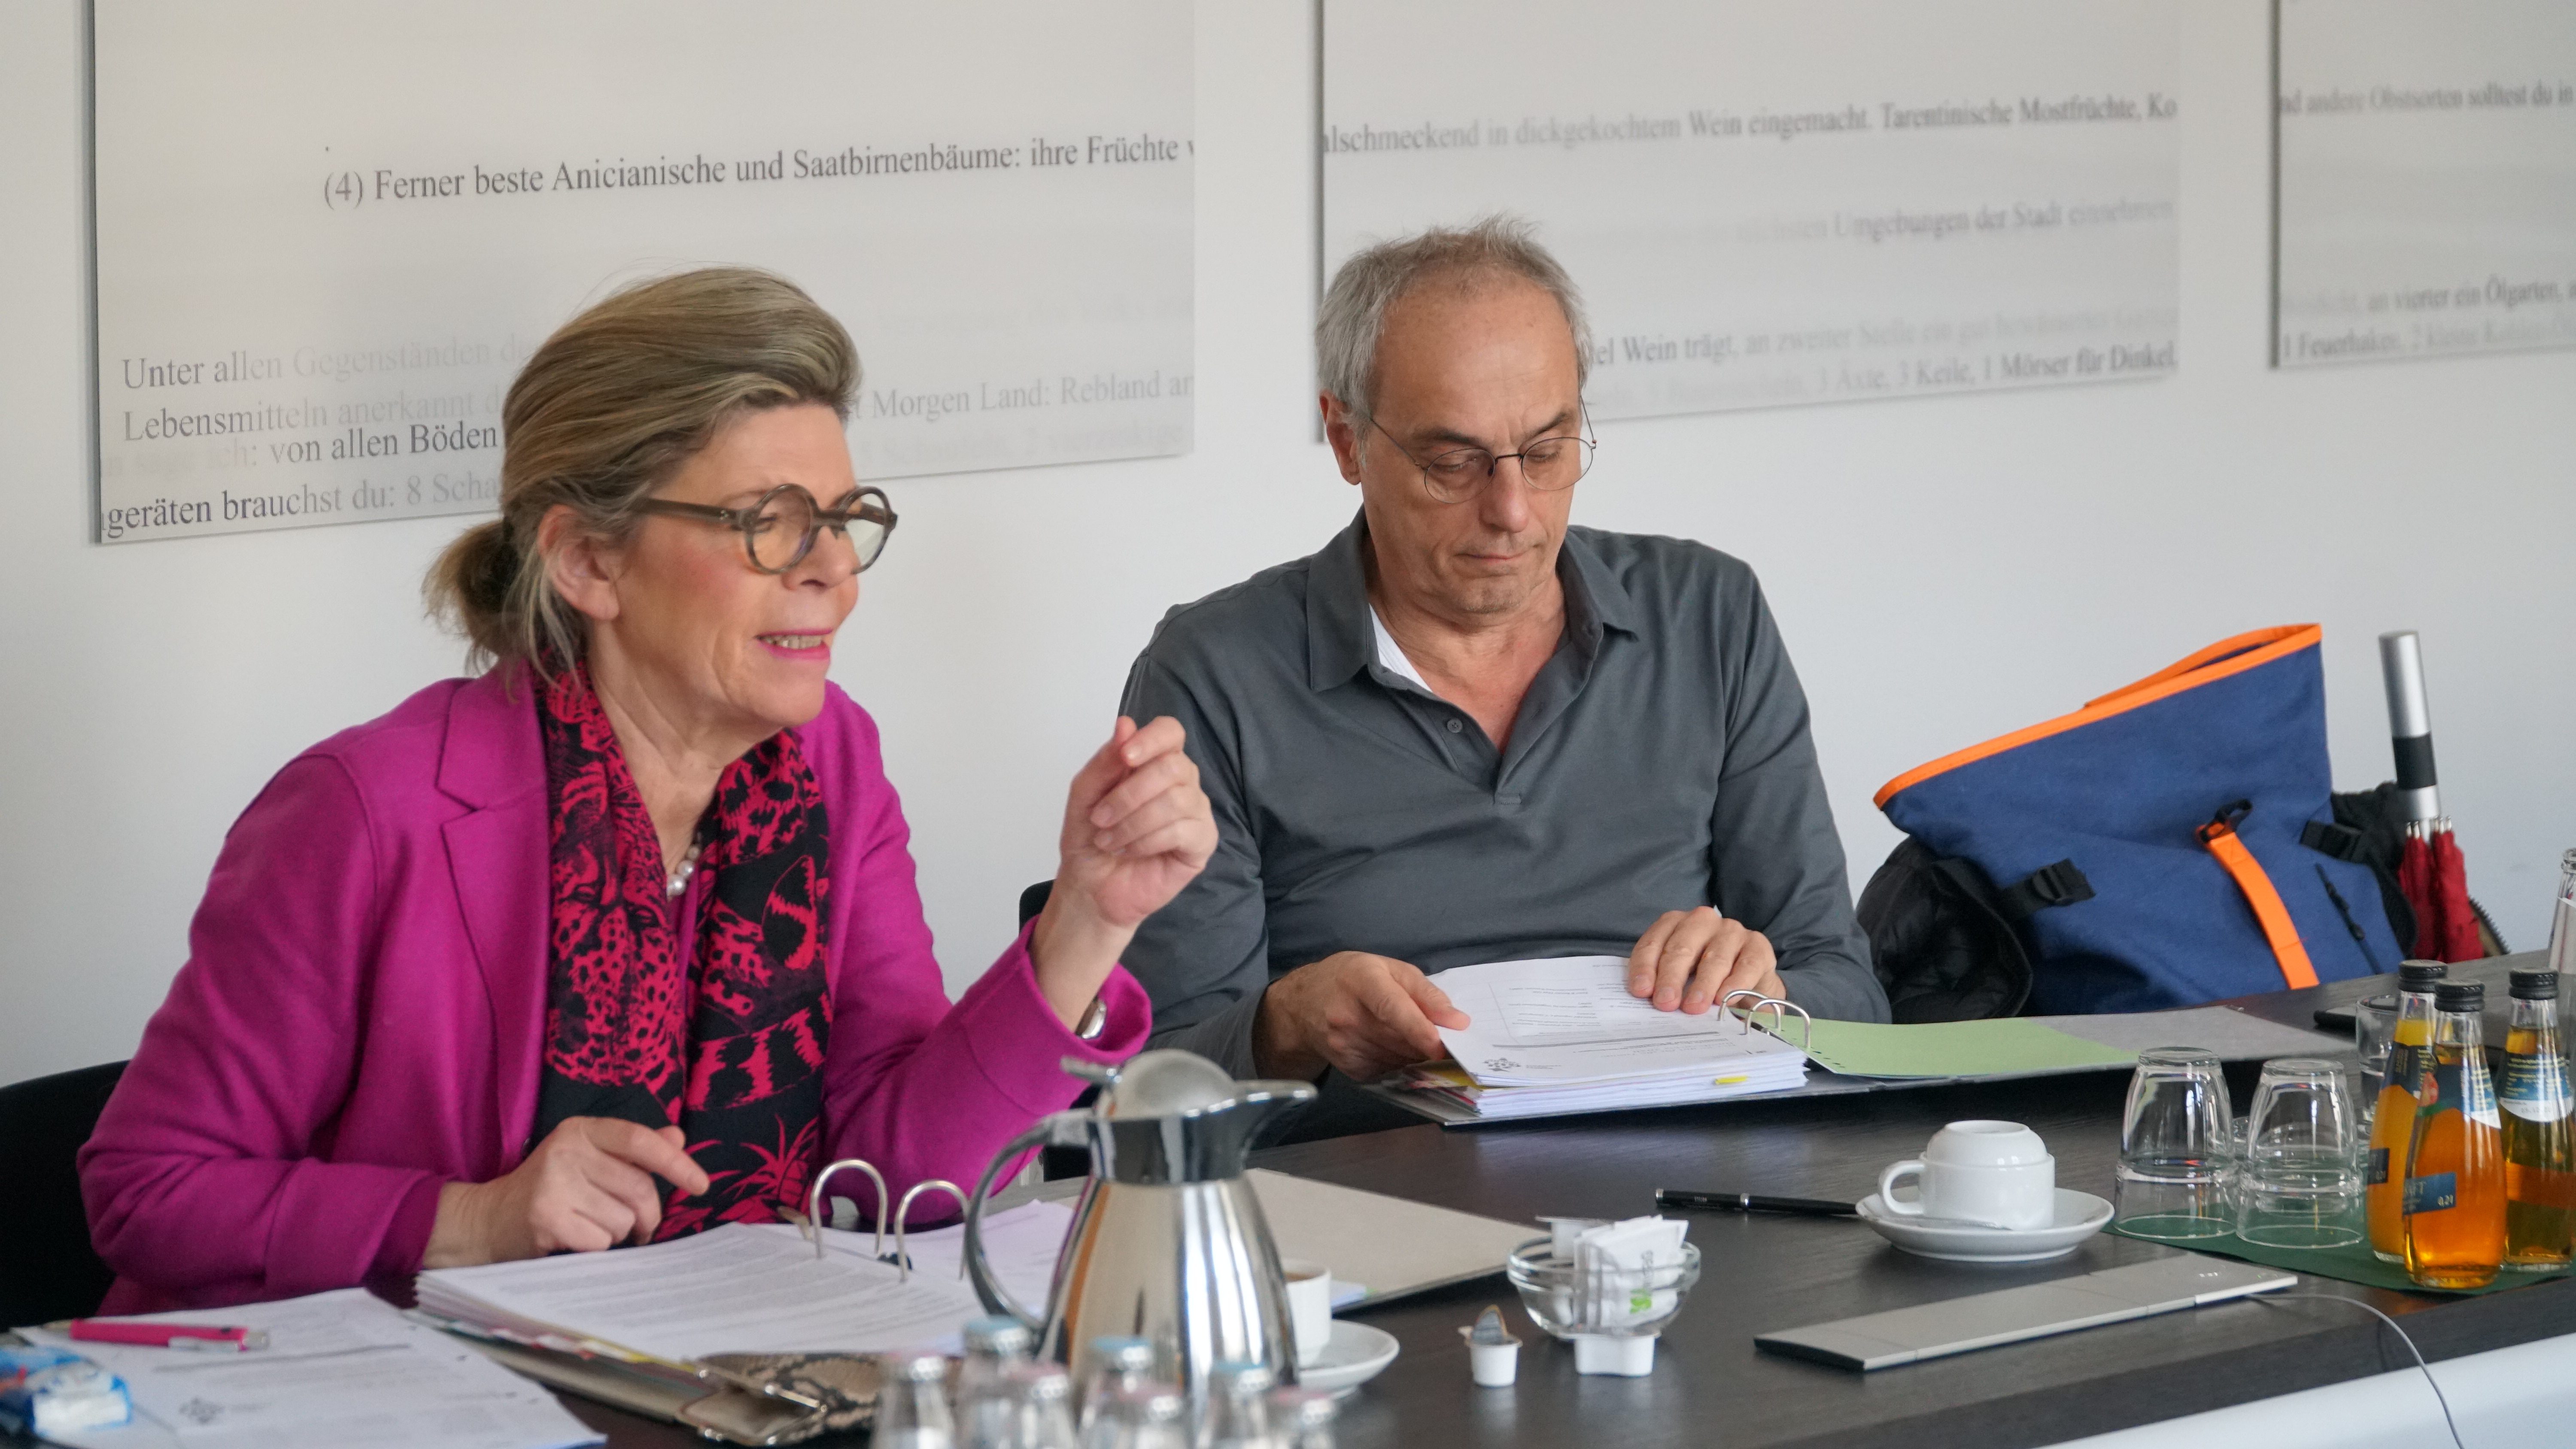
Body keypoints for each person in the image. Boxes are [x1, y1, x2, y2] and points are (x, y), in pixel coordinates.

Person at [81, 269, 1215, 1310]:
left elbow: (896, 1176)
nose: (831, 571)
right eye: (769, 523)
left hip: (712, 1378)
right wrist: (470, 1218)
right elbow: (146, 1188)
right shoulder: (370, 809)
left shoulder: (834, 763)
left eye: (841, 520)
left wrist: (1087, 918)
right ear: (587, 561)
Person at [1118, 218, 1886, 1137]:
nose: (1513, 510)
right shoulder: (1215, 672)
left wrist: (1768, 990)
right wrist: (1288, 1022)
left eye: (1549, 450)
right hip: (1378, 1181)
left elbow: (1854, 999)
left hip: (1680, 1175)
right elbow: (1154, 1092)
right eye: (1453, 464)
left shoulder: (1706, 615)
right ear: (1348, 440)